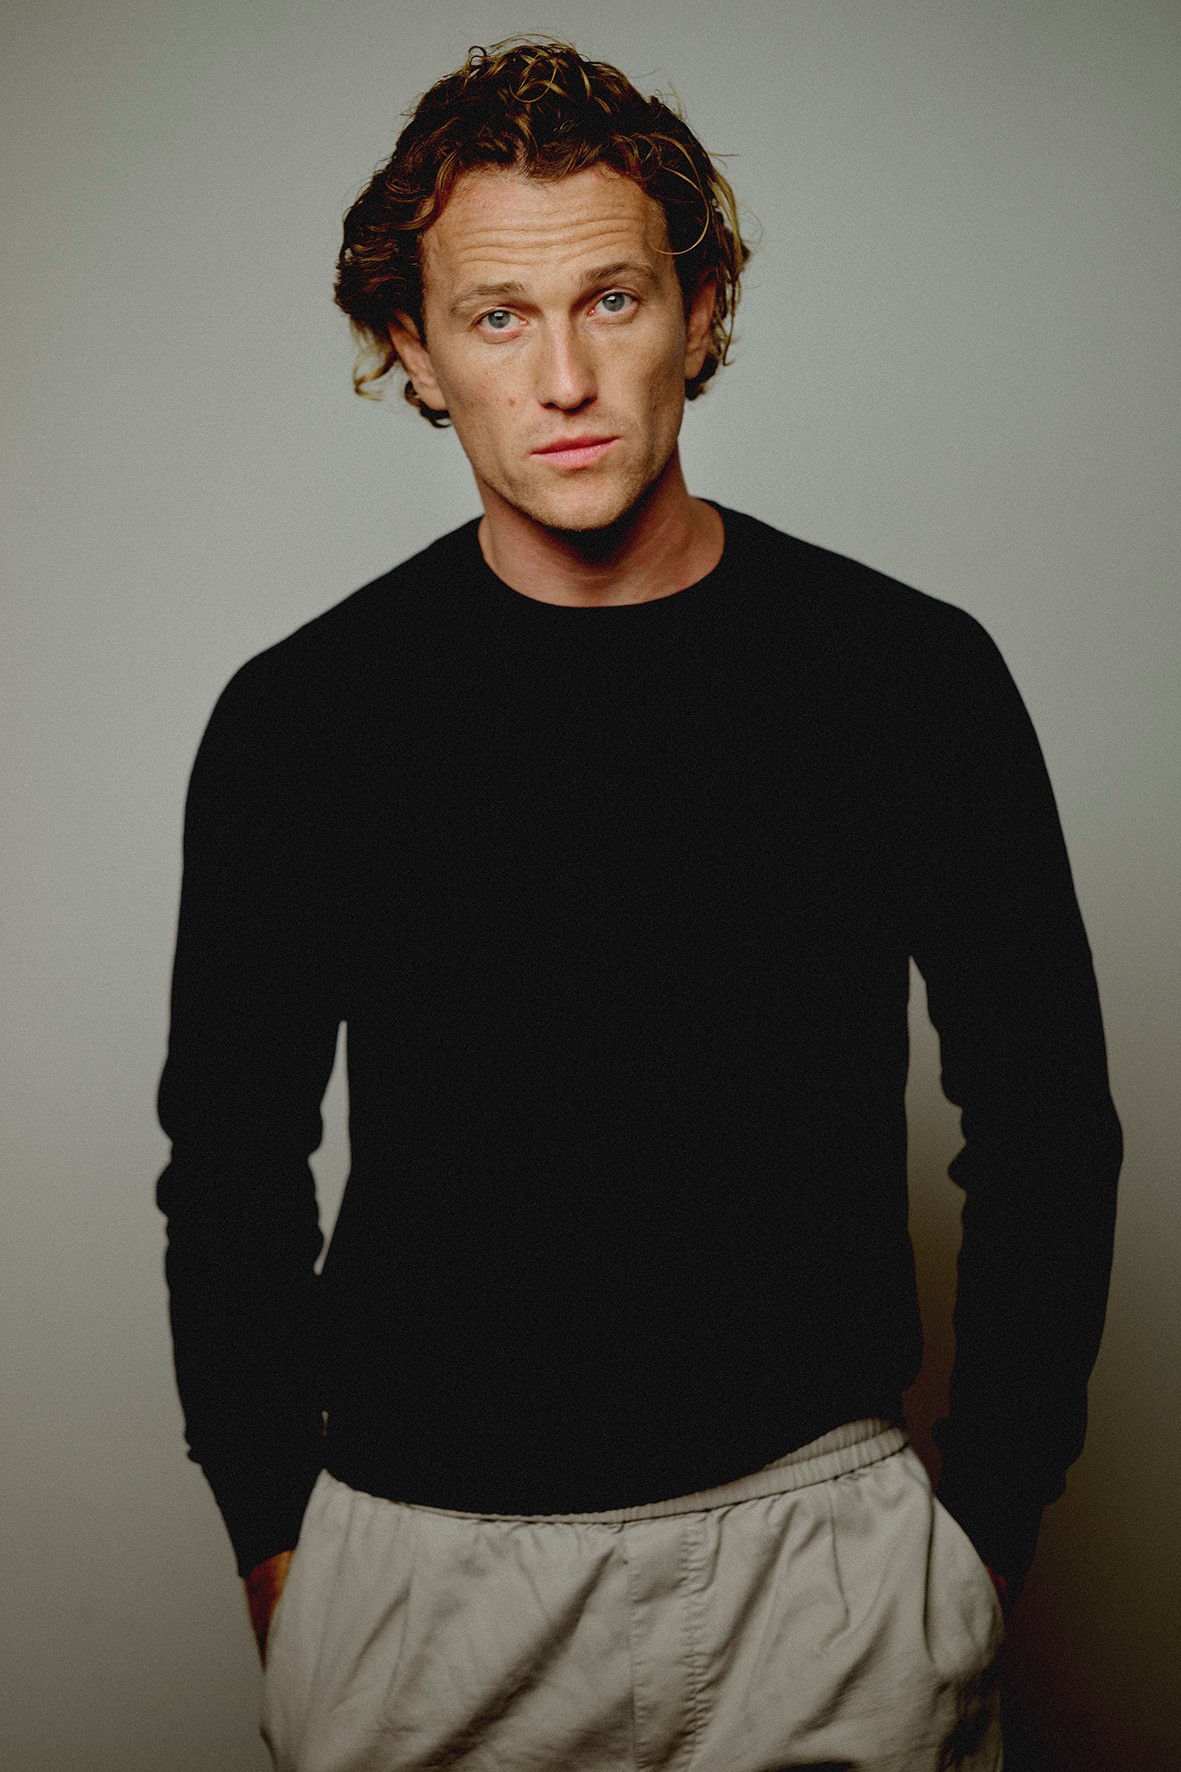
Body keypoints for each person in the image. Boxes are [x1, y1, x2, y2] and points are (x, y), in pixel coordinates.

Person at [156, 37, 1122, 1772]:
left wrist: (980, 1530)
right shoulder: (305, 719)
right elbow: (229, 1164)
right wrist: (274, 1543)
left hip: (822, 1572)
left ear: (698, 308)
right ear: (414, 350)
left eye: (612, 297)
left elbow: (1044, 1122)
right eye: (496, 318)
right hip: (423, 1580)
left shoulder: (905, 677)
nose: (565, 376)